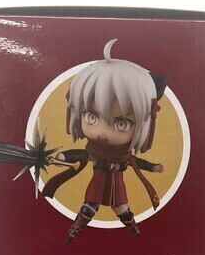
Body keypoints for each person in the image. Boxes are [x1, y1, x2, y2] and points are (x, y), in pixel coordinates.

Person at [42, 40, 166, 243]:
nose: (102, 132)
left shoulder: (124, 155)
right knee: (89, 207)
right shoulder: (95, 150)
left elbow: (135, 161)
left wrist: (152, 167)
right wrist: (62, 157)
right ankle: (74, 231)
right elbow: (82, 154)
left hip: (118, 187)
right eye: (91, 117)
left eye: (121, 124)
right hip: (98, 184)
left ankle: (134, 230)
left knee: (122, 209)